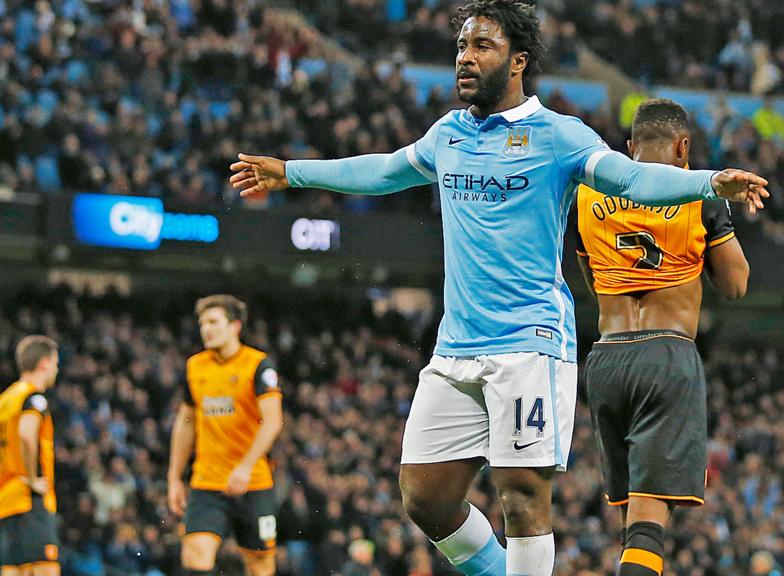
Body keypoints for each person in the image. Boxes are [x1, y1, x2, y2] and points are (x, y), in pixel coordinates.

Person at [227, 0, 768, 574]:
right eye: (462, 46)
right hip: (456, 345)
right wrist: (292, 172)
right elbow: (386, 171)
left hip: (529, 342)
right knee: (425, 496)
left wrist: (709, 183)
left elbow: (630, 176)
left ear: (518, 61)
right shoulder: (448, 134)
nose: (465, 58)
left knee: (521, 497)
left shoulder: (559, 135)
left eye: (482, 46)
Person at [575, 99, 750, 576]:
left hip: (606, 358)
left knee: (633, 517)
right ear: (684, 147)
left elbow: (591, 279)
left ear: (630, 148)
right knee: (650, 520)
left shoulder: (588, 194)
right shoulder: (699, 195)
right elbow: (736, 285)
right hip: (666, 355)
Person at [167, 295, 284, 576]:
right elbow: (185, 422)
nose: (205, 329)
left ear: (234, 326)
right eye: (202, 323)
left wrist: (244, 466)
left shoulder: (258, 365)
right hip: (207, 482)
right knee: (196, 555)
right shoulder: (195, 366)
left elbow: (273, 421)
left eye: (213, 322)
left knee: (260, 563)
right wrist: (174, 477)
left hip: (253, 482)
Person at [0, 335, 61, 576]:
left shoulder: (5, 400)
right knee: (45, 570)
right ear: (44, 363)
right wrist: (30, 477)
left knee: (13, 571)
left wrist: (4, 473)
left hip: (8, 500)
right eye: (55, 363)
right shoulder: (34, 398)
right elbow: (27, 435)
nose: (56, 369)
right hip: (31, 500)